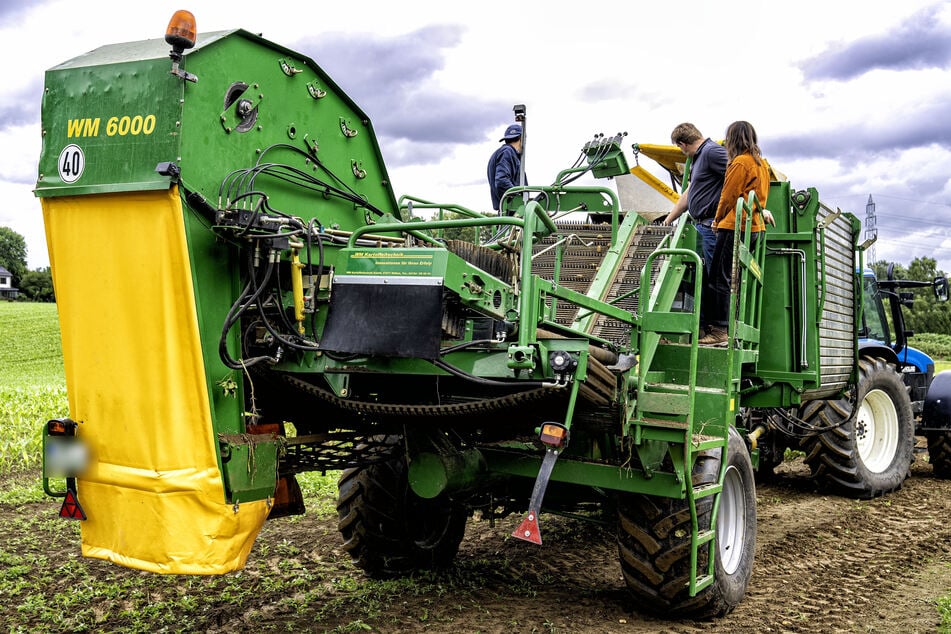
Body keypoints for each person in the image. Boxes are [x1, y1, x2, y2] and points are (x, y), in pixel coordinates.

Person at [699, 121, 775, 345]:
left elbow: (728, 195)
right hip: (753, 227)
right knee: (734, 278)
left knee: (718, 277)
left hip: (734, 225)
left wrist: (717, 219)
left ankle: (719, 331)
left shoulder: (740, 163)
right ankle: (728, 325)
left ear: (732, 139)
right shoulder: (760, 164)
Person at [663, 123, 728, 275]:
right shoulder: (698, 158)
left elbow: (740, 176)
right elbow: (689, 193)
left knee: (716, 279)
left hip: (713, 227)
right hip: (702, 228)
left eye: (679, 147)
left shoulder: (712, 152)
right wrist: (667, 221)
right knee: (703, 279)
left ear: (682, 144)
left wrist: (760, 208)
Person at [487, 123, 523, 213]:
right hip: (510, 212)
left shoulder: (501, 153)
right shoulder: (508, 152)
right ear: (521, 138)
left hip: (507, 210)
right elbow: (501, 181)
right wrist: (520, 200)